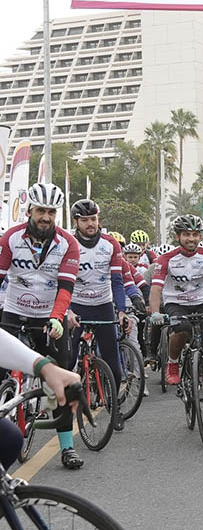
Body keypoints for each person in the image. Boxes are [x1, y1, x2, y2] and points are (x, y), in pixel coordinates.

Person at [0, 183, 83, 468]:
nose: (46, 217)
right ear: (29, 211)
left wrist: (57, 317)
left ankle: (67, 447)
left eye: (51, 212)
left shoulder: (68, 244)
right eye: (40, 211)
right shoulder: (10, 238)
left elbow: (66, 287)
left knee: (59, 379)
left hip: (49, 316)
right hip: (13, 312)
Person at [147, 214, 203, 420]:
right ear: (178, 236)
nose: (191, 239)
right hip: (176, 303)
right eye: (186, 234)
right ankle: (173, 362)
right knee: (182, 328)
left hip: (202, 302)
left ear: (200, 236)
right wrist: (156, 312)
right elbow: (156, 288)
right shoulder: (166, 259)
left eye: (195, 234)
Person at [66, 200, 131, 431]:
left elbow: (117, 281)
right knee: (68, 359)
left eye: (93, 219)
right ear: (76, 222)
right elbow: (61, 281)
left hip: (103, 305)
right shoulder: (68, 243)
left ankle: (115, 406)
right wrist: (67, 310)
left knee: (113, 362)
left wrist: (121, 310)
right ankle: (64, 407)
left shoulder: (110, 244)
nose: (90, 224)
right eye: (85, 220)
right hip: (76, 305)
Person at [0, 326, 84, 471]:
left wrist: (46, 368)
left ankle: (67, 448)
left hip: (49, 321)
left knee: (11, 438)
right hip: (15, 315)